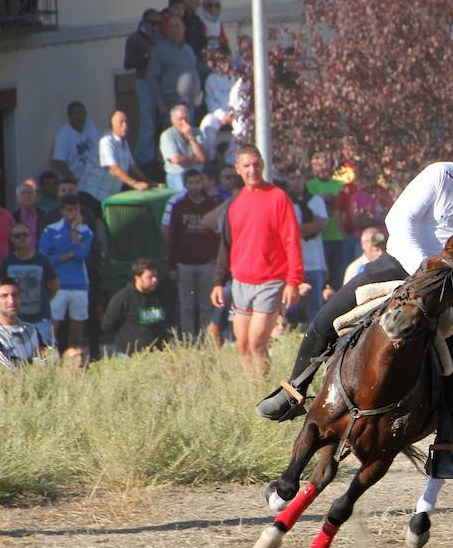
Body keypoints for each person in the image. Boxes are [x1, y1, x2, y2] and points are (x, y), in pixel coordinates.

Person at [263, 139, 453, 482]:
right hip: (400, 265)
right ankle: (293, 391)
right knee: (325, 319)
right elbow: (399, 220)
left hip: (449, 286)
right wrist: (425, 267)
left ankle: (446, 442)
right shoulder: (439, 175)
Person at [210, 146, 304, 377]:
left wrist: (293, 281)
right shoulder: (235, 203)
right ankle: (251, 391)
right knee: (241, 345)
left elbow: (291, 240)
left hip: (270, 281)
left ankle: (262, 393)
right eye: (247, 165)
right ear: (238, 169)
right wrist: (219, 282)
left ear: (263, 165)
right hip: (241, 281)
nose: (252, 170)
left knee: (256, 343)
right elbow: (226, 245)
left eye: (256, 164)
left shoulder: (278, 197)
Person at [164, 168, 225, 338]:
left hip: (207, 263)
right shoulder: (179, 206)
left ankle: (206, 339)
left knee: (206, 305)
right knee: (187, 306)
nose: (195, 186)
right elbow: (172, 237)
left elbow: (218, 235)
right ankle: (188, 341)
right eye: (191, 183)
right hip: (184, 263)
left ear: (202, 182)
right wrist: (172, 265)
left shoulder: (211, 205)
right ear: (185, 185)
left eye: (197, 182)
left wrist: (216, 261)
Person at [39, 195, 93, 354]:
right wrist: (67, 256)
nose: (73, 213)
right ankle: (47, 362)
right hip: (58, 285)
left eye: (75, 209)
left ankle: (75, 361)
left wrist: (75, 231)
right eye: (69, 209)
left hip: (79, 285)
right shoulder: (50, 230)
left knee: (77, 329)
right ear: (62, 210)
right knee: (52, 329)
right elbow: (45, 257)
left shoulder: (85, 230)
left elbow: (82, 253)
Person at [0, 223, 58, 348]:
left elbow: (54, 285)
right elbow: (1, 288)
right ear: (11, 239)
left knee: (46, 353)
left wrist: (45, 300)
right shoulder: (7, 262)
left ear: (30, 237)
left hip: (41, 317)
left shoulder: (43, 260)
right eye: (17, 235)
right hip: (16, 318)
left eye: (25, 234)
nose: (22, 238)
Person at [285, 167, 330, 324]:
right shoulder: (285, 201)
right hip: (292, 263)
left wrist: (297, 228)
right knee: (290, 305)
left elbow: (322, 224)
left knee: (315, 307)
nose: (296, 182)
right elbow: (285, 229)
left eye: (298, 178)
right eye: (292, 178)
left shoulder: (315, 200)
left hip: (314, 262)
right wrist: (309, 226)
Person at [102, 259, 171, 356]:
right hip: (130, 356)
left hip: (158, 355)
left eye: (155, 276)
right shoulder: (123, 298)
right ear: (137, 278)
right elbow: (108, 326)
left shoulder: (159, 295)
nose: (154, 280)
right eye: (150, 277)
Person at [305, 151, 348, 294]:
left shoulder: (341, 185)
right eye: (317, 165)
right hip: (319, 238)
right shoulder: (309, 186)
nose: (322, 168)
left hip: (338, 236)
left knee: (338, 277)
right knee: (322, 279)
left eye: (325, 164)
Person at [124, 8, 163, 166]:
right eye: (153, 23)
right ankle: (143, 159)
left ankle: (156, 158)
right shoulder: (134, 38)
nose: (156, 27)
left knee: (159, 121)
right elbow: (127, 64)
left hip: (159, 82)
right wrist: (147, 55)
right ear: (144, 22)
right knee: (148, 123)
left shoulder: (160, 37)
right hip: (145, 82)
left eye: (159, 23)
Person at [146, 15, 202, 122]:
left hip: (190, 105)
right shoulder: (160, 50)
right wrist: (160, 104)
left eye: (177, 26)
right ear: (166, 30)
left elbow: (195, 73)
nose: (174, 30)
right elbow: (152, 79)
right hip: (171, 106)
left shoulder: (188, 50)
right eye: (171, 27)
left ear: (183, 28)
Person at [0, 279, 45, 369]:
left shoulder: (32, 330)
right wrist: (35, 361)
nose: (11, 301)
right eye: (4, 296)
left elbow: (49, 358)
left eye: (14, 295)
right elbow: (7, 367)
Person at [93, 110, 150, 202]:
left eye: (126, 122)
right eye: (121, 122)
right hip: (93, 193)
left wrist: (146, 181)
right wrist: (134, 184)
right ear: (113, 124)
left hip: (108, 195)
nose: (125, 125)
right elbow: (113, 168)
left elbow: (132, 166)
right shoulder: (106, 141)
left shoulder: (123, 140)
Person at [160, 104, 208, 193]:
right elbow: (176, 159)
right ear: (172, 120)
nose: (184, 122)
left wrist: (191, 138)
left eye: (186, 119)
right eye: (180, 119)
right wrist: (196, 158)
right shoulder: (167, 136)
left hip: (197, 173)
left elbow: (203, 157)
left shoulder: (197, 132)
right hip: (178, 174)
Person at [51, 101, 100, 185]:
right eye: (76, 114)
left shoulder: (89, 125)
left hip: (93, 176)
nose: (79, 117)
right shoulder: (64, 134)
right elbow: (58, 160)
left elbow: (99, 147)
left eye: (82, 113)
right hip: (76, 178)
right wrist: (74, 180)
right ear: (69, 116)